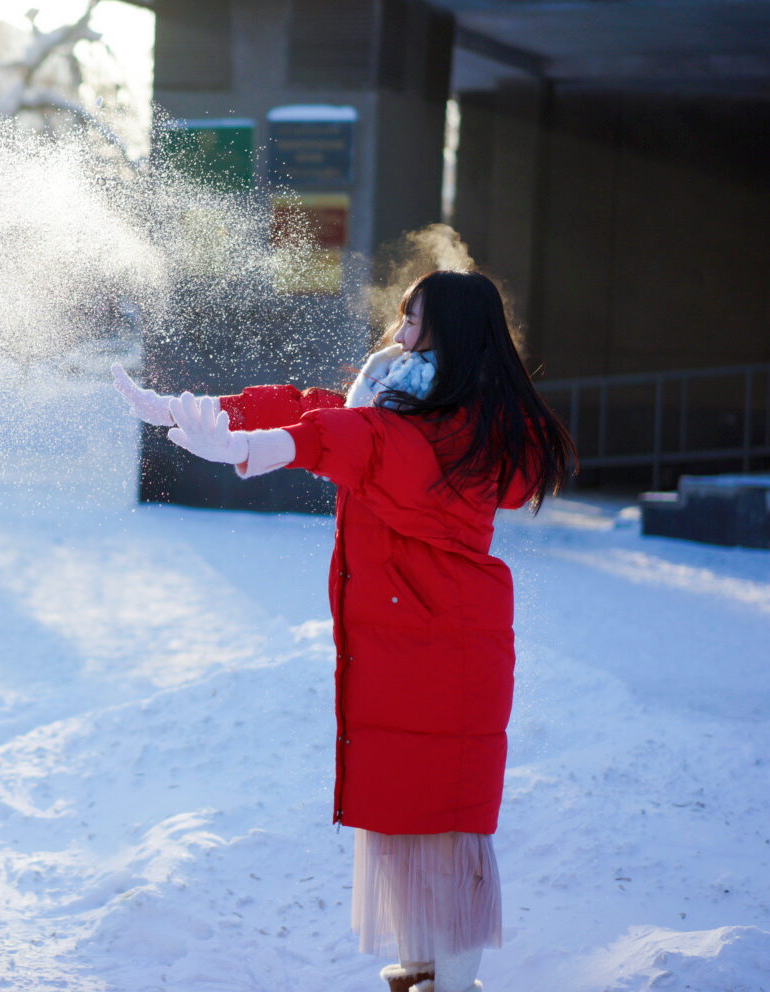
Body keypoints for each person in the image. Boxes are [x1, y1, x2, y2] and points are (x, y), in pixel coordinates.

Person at [113, 270, 574, 992]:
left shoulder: (455, 434)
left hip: (446, 652)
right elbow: (315, 410)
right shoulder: (398, 398)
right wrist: (196, 411)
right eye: (401, 316)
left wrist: (251, 450)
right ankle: (424, 972)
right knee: (406, 816)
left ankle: (453, 987)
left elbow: (348, 441)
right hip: (409, 645)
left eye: (415, 322)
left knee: (448, 831)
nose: (399, 333)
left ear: (452, 333)